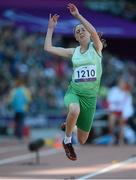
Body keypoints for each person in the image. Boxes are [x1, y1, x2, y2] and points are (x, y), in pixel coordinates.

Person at [44, 3, 104, 161]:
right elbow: (48, 48)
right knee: (74, 110)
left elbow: (91, 30)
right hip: (74, 92)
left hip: (90, 98)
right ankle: (67, 141)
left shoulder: (96, 48)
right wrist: (51, 28)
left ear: (90, 34)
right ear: (76, 38)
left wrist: (77, 16)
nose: (81, 32)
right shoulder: (73, 52)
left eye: (83, 30)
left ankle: (71, 125)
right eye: (78, 32)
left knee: (83, 139)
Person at [107, 77, 134, 144]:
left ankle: (120, 140)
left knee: (122, 122)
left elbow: (128, 106)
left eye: (122, 83)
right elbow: (110, 101)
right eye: (120, 83)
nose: (121, 84)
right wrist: (113, 109)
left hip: (122, 112)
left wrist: (125, 114)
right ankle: (111, 137)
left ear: (125, 84)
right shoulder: (113, 90)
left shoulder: (127, 93)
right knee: (111, 120)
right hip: (114, 111)